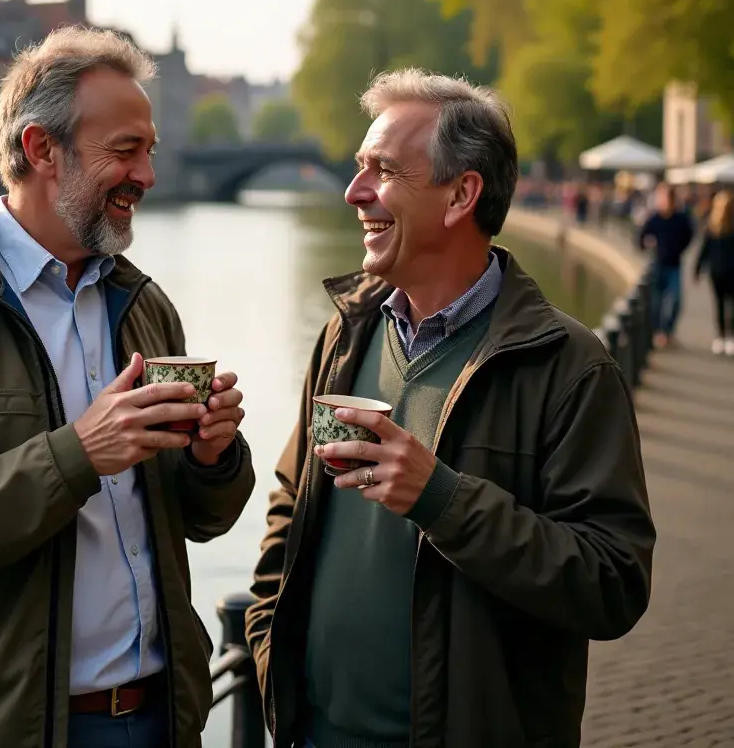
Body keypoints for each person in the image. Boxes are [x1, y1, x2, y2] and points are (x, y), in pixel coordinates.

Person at [0, 26, 254, 748]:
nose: (148, 175)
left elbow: (201, 520)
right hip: (8, 729)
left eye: (149, 151)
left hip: (163, 717)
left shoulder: (145, 304)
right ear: (41, 150)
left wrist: (212, 457)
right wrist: (76, 455)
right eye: (124, 151)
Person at [244, 68, 655, 748]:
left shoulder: (570, 366)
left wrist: (441, 499)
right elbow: (293, 498)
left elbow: (612, 583)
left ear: (462, 193)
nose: (353, 192)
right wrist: (266, 652)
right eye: (358, 168)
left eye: (382, 170)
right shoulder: (346, 332)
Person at [638, 181, 694, 348]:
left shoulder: (681, 219)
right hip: (657, 265)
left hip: (674, 265)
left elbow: (690, 235)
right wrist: (647, 245)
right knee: (656, 302)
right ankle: (658, 333)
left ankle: (667, 331)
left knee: (676, 300)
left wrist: (679, 249)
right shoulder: (654, 219)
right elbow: (641, 237)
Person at [695, 189, 734, 356]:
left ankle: (728, 336)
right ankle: (722, 336)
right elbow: (704, 250)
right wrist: (697, 269)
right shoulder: (711, 227)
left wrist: (697, 269)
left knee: (729, 305)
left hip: (729, 272)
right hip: (718, 272)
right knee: (721, 304)